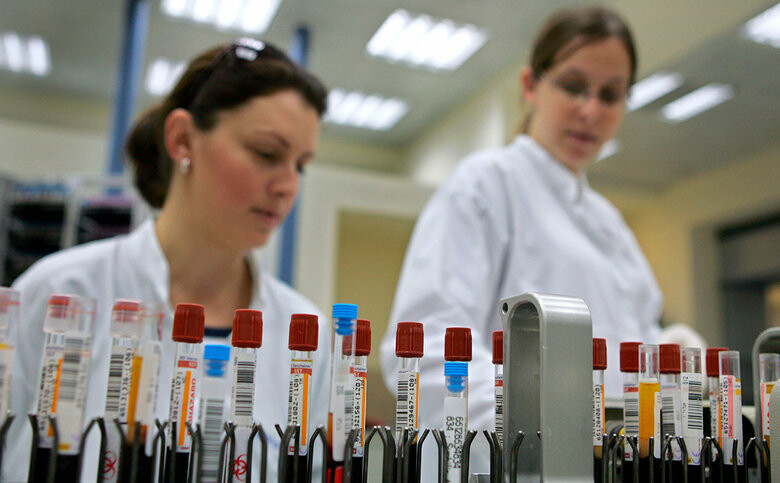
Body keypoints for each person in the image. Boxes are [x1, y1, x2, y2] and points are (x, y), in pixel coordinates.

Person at [6, 37, 330, 481]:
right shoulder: (60, 295)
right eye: (266, 153)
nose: (288, 186)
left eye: (301, 165)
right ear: (182, 140)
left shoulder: (306, 335)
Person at [380, 5, 664, 444]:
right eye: (573, 86)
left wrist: (668, 351)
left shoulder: (609, 222)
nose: (591, 111)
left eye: (610, 95)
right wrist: (539, 442)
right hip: (518, 460)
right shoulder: (485, 185)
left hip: (616, 457)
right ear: (531, 85)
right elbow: (429, 346)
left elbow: (634, 340)